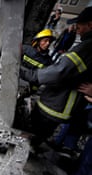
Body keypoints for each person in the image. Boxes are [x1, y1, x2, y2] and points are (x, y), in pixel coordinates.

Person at [19, 6, 92, 152]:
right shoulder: (86, 45)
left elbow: (59, 72)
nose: (76, 28)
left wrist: (25, 73)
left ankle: (24, 154)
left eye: (80, 24)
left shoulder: (88, 47)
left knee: (30, 137)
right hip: (57, 105)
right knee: (36, 136)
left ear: (90, 24)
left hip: (55, 106)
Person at [14, 29, 55, 131]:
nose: (47, 43)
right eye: (45, 40)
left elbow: (42, 79)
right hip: (14, 80)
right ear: (38, 41)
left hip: (28, 88)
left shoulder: (48, 62)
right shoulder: (25, 49)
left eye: (49, 41)